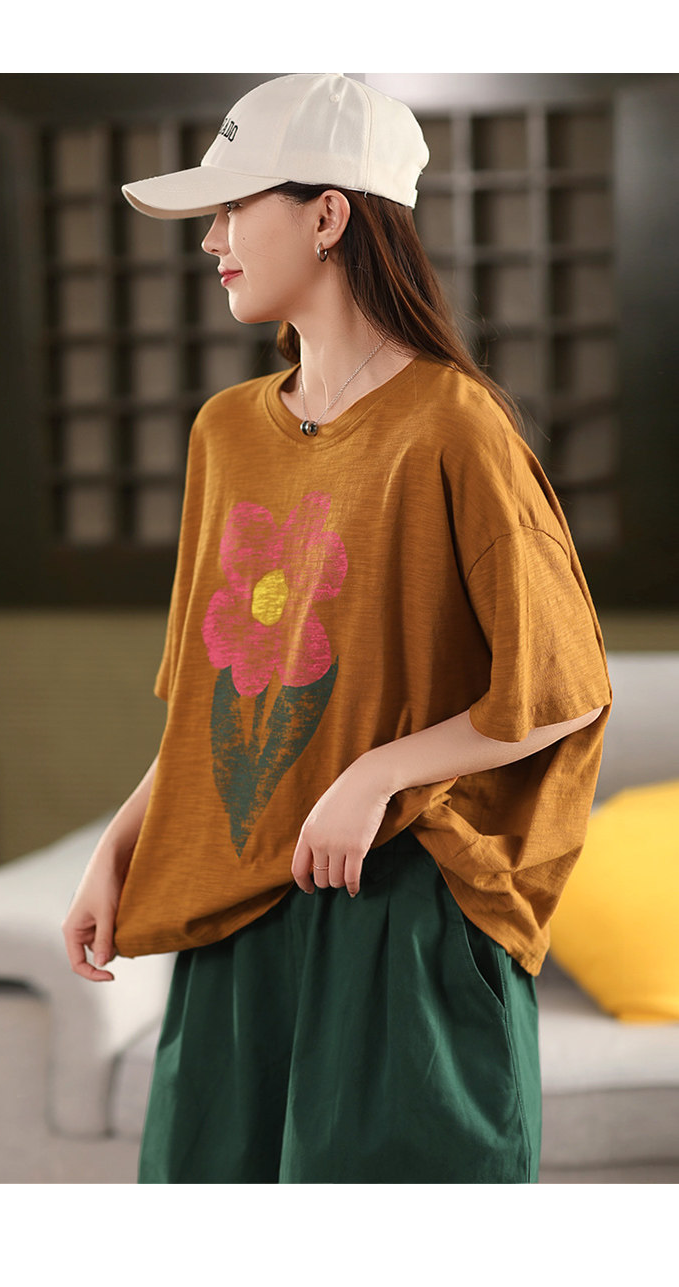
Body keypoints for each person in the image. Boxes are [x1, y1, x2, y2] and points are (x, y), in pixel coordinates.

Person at [62, 73, 612, 1184]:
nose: (211, 240)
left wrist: (375, 775)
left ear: (328, 214)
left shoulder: (454, 427)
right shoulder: (226, 432)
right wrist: (117, 847)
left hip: (397, 910)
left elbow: (564, 689)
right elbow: (220, 699)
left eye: (234, 207)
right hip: (231, 913)